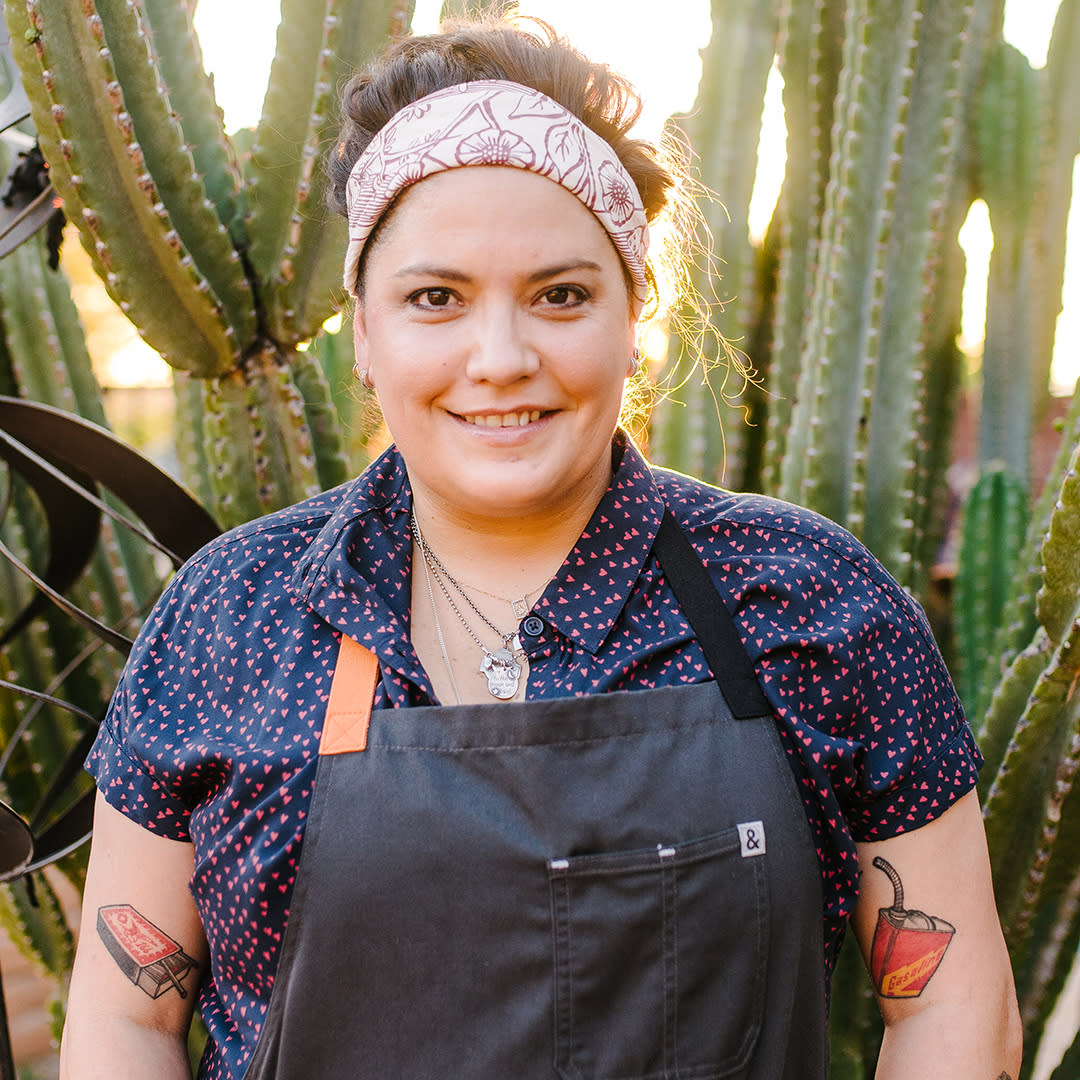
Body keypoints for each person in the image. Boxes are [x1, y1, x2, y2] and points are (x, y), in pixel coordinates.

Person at [60, 16, 1021, 1080]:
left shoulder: (808, 601)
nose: (502, 358)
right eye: (437, 299)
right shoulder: (232, 615)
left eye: (561, 295)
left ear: (632, 315)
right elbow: (125, 1019)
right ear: (366, 333)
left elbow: (949, 1004)